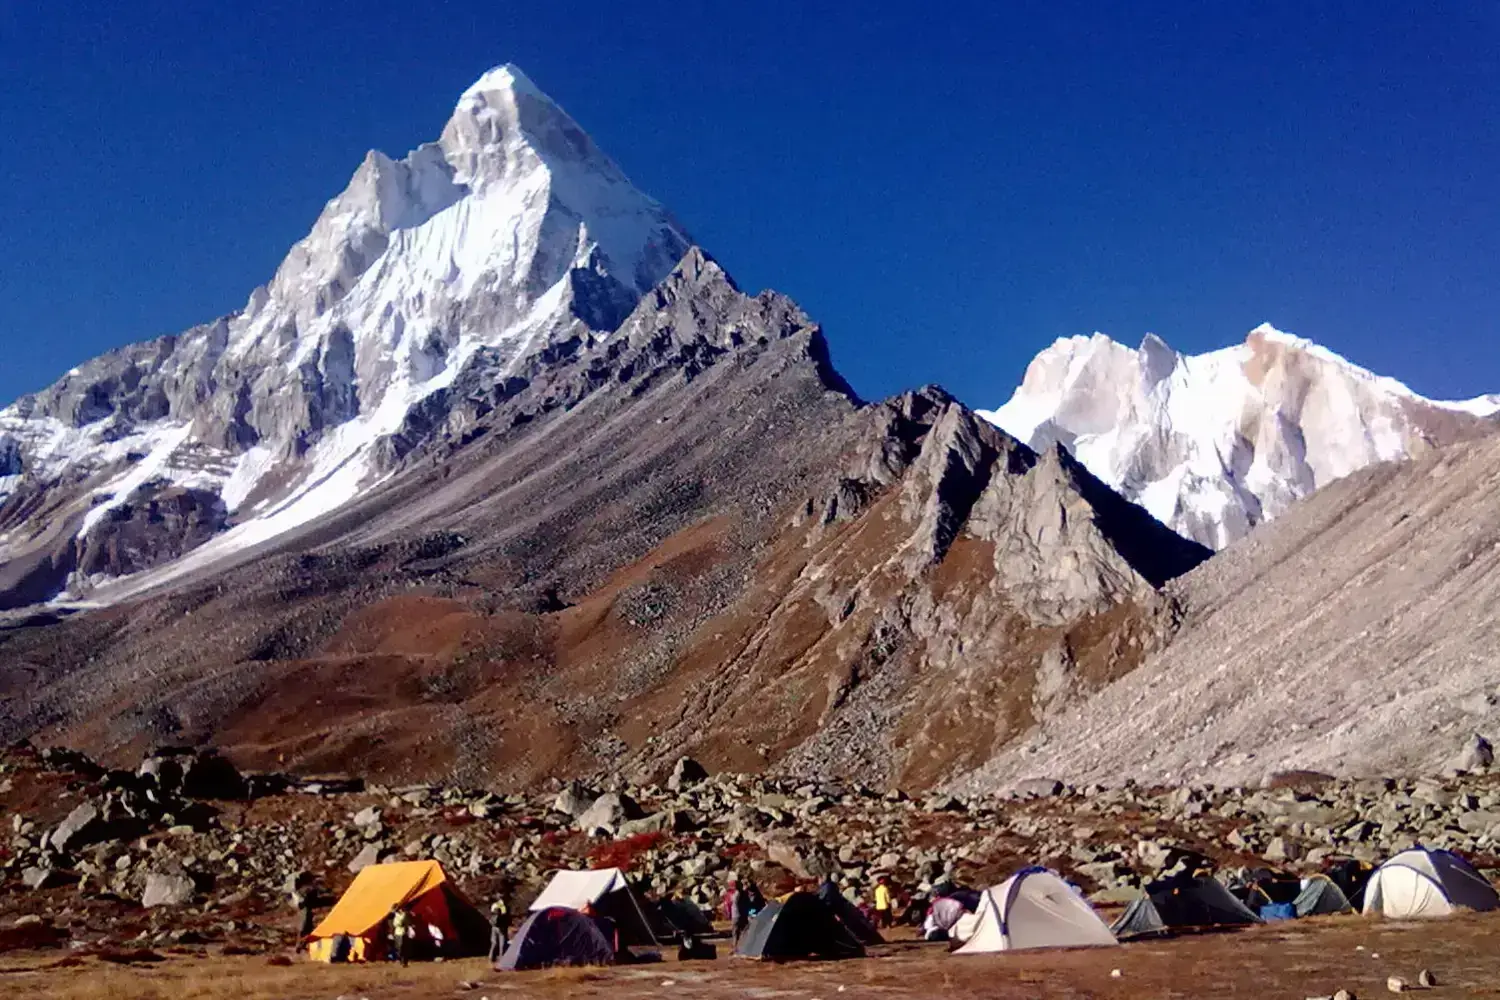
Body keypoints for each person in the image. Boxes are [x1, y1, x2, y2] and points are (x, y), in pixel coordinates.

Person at [488, 894, 511, 963]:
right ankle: (502, 959)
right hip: (501, 927)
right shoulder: (503, 906)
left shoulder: (494, 905)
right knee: (502, 943)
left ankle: (491, 957)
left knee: (494, 943)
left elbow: (491, 914)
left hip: (493, 926)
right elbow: (504, 916)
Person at [731, 880, 752, 948]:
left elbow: (736, 903)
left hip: (737, 914)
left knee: (736, 931)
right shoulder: (743, 893)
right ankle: (742, 945)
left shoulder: (737, 894)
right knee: (743, 930)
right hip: (741, 914)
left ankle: (735, 946)